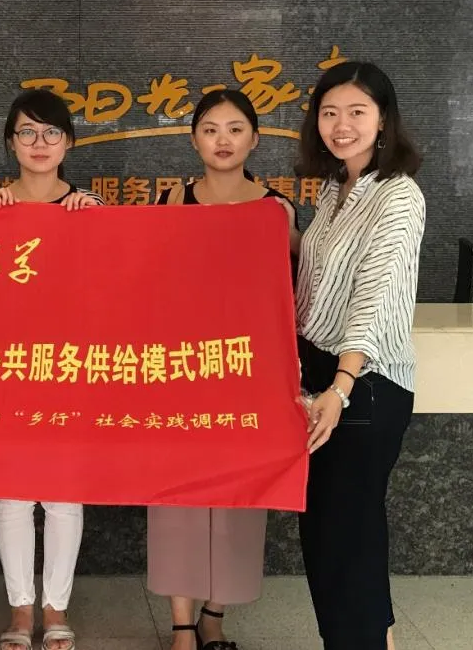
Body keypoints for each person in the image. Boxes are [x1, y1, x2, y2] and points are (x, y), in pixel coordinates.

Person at [148, 89, 300, 650]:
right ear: (194, 140)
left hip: (248, 374)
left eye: (235, 129)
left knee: (240, 496)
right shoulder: (169, 201)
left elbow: (295, 290)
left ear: (254, 139)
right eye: (210, 129)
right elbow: (143, 281)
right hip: (181, 371)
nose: (223, 140)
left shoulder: (276, 209)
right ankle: (181, 624)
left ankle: (215, 614)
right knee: (177, 495)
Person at [295, 62, 424, 650]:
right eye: (329, 113)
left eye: (356, 112)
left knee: (344, 538)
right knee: (333, 536)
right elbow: (314, 278)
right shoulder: (334, 189)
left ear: (383, 120)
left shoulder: (398, 195)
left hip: (364, 385)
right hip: (323, 377)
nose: (341, 125)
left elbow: (373, 296)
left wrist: (340, 388)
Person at [0, 88, 103, 650]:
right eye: (27, 132)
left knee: (62, 492)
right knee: (11, 492)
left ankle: (56, 607)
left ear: (68, 143)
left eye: (51, 132)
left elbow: (113, 286)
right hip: (6, 366)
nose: (39, 142)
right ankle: (20, 611)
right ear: (11, 142)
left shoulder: (89, 209)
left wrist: (95, 227)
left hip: (69, 366)